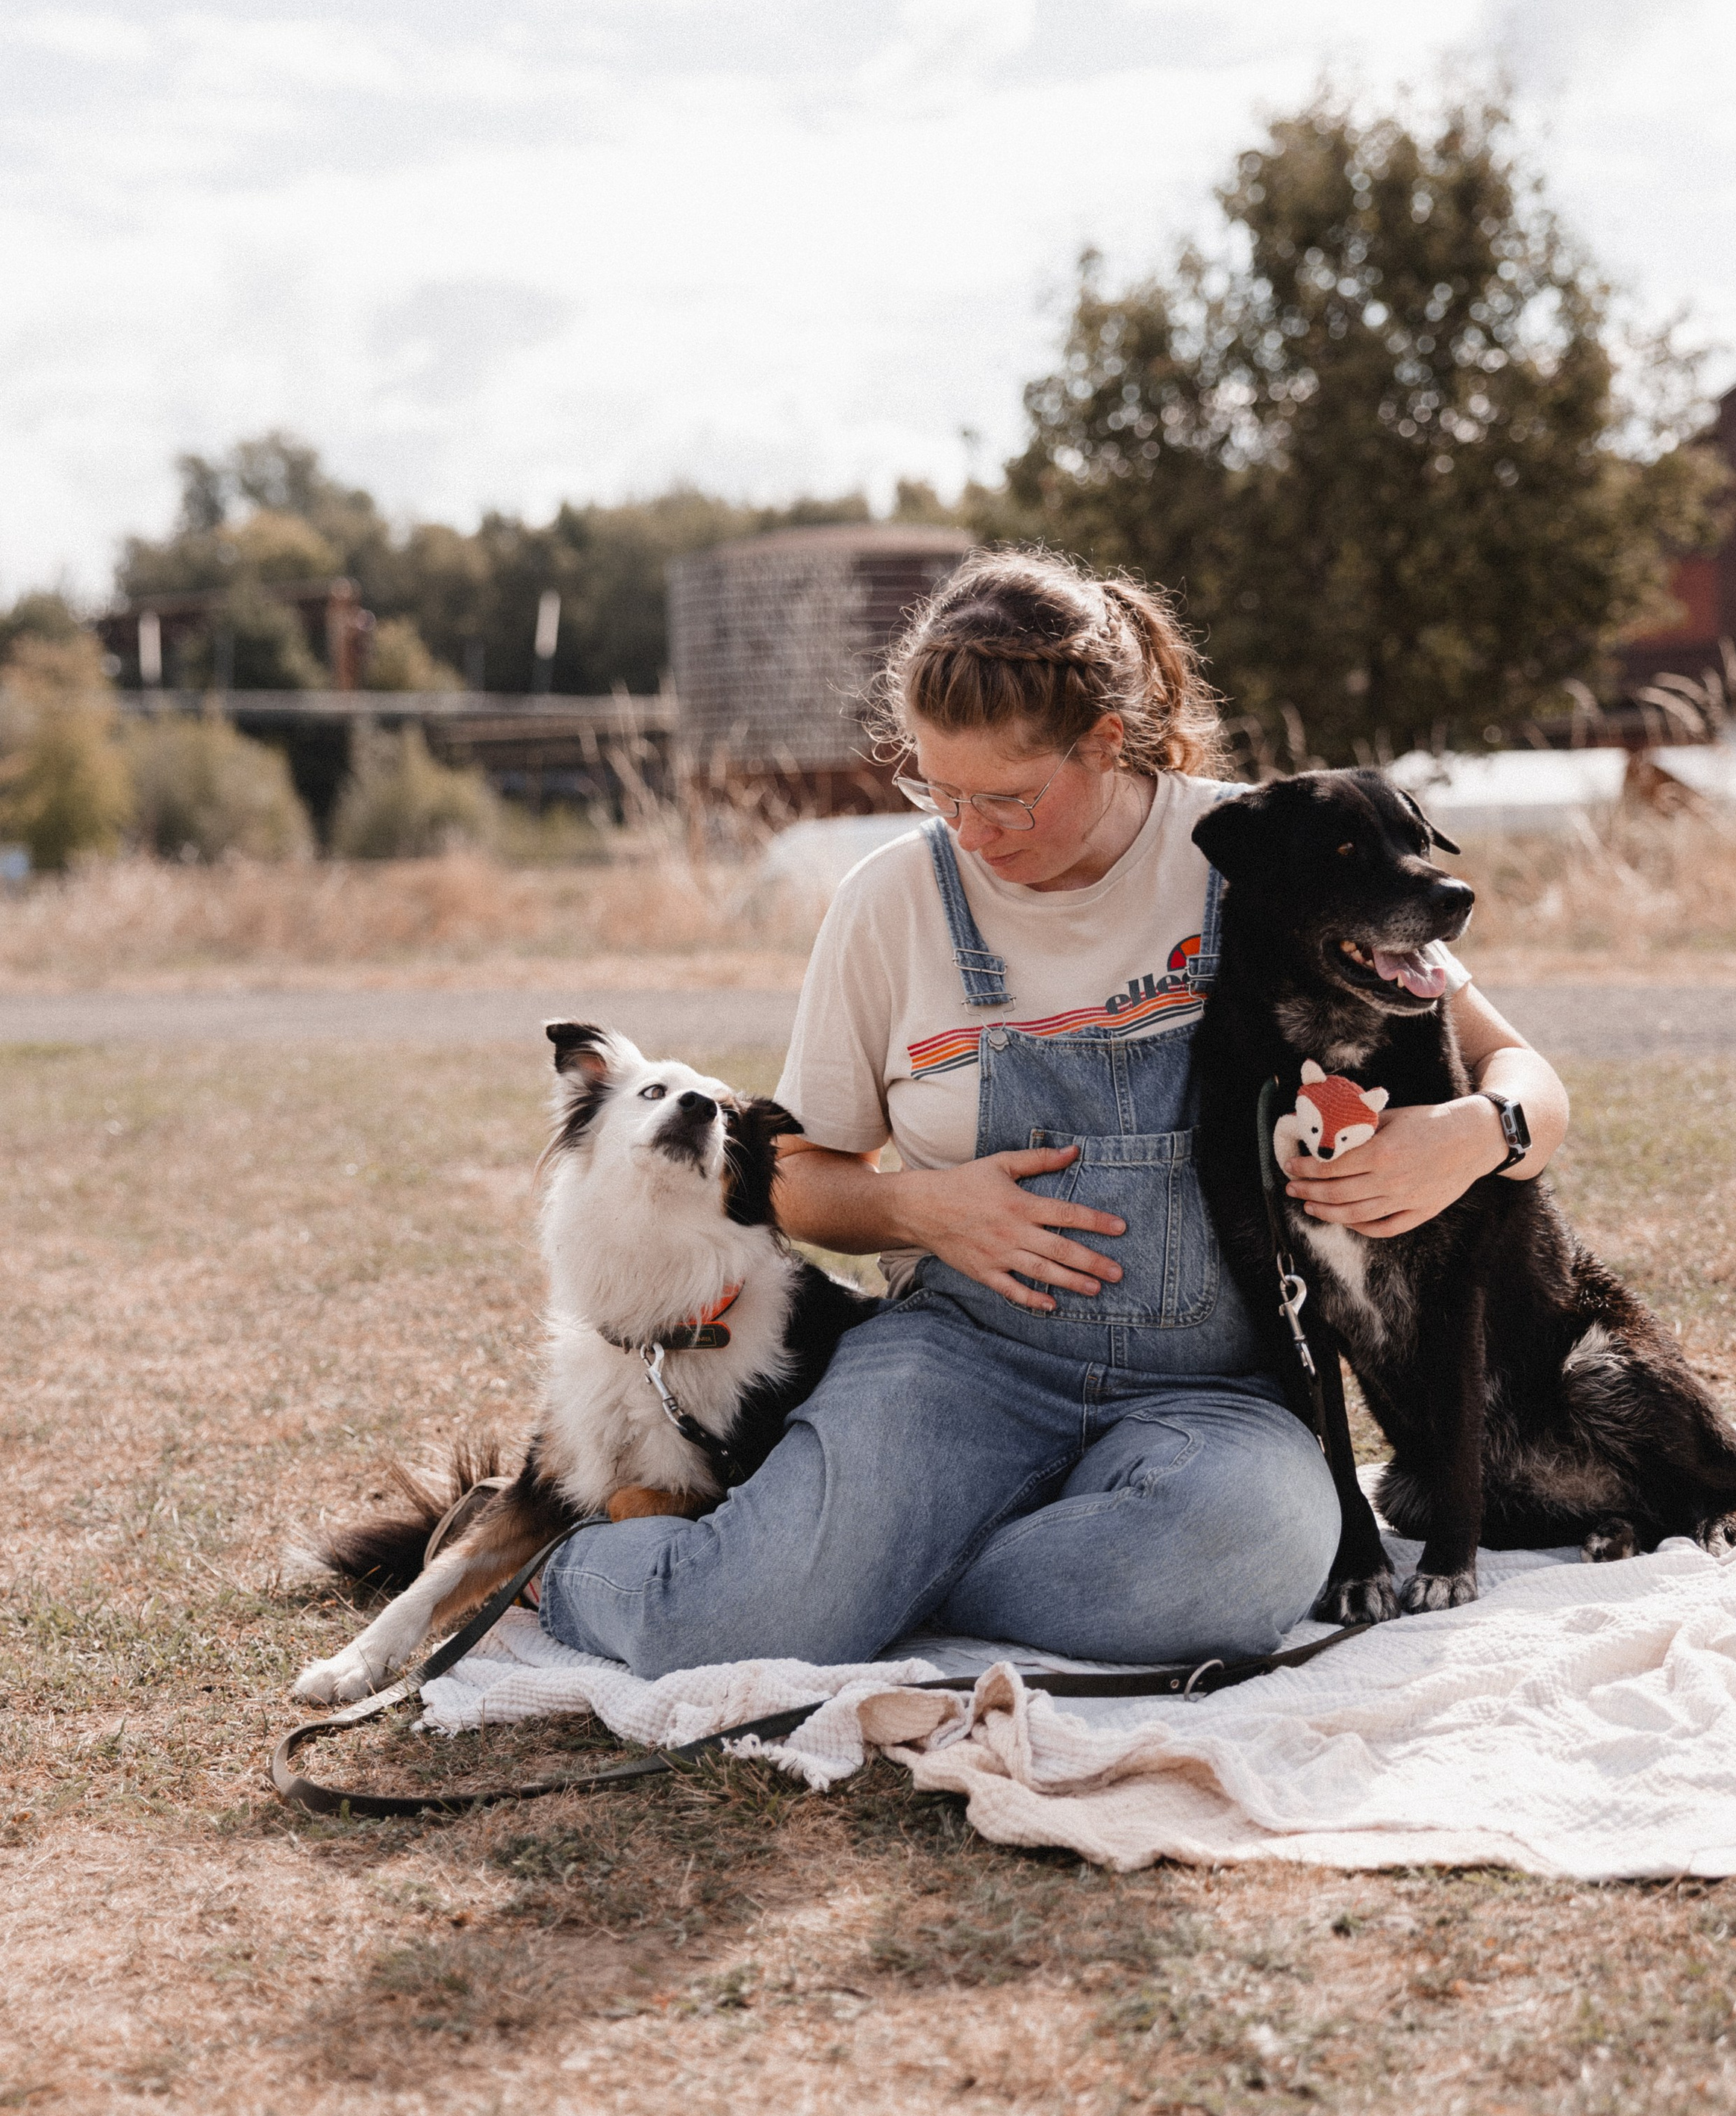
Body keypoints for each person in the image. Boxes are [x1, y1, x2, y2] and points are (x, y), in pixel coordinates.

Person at [537, 551, 1570, 1674]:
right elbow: (794, 1178)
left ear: (1105, 742)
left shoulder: (1257, 846)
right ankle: (566, 1564)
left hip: (1213, 1390)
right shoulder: (891, 901)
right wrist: (925, 1210)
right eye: (940, 792)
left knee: (1247, 1561)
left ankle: (893, 1571)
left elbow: (1522, 1074)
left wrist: (1479, 1135)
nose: (971, 831)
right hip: (960, 1366)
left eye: (1008, 798)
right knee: (719, 1627)